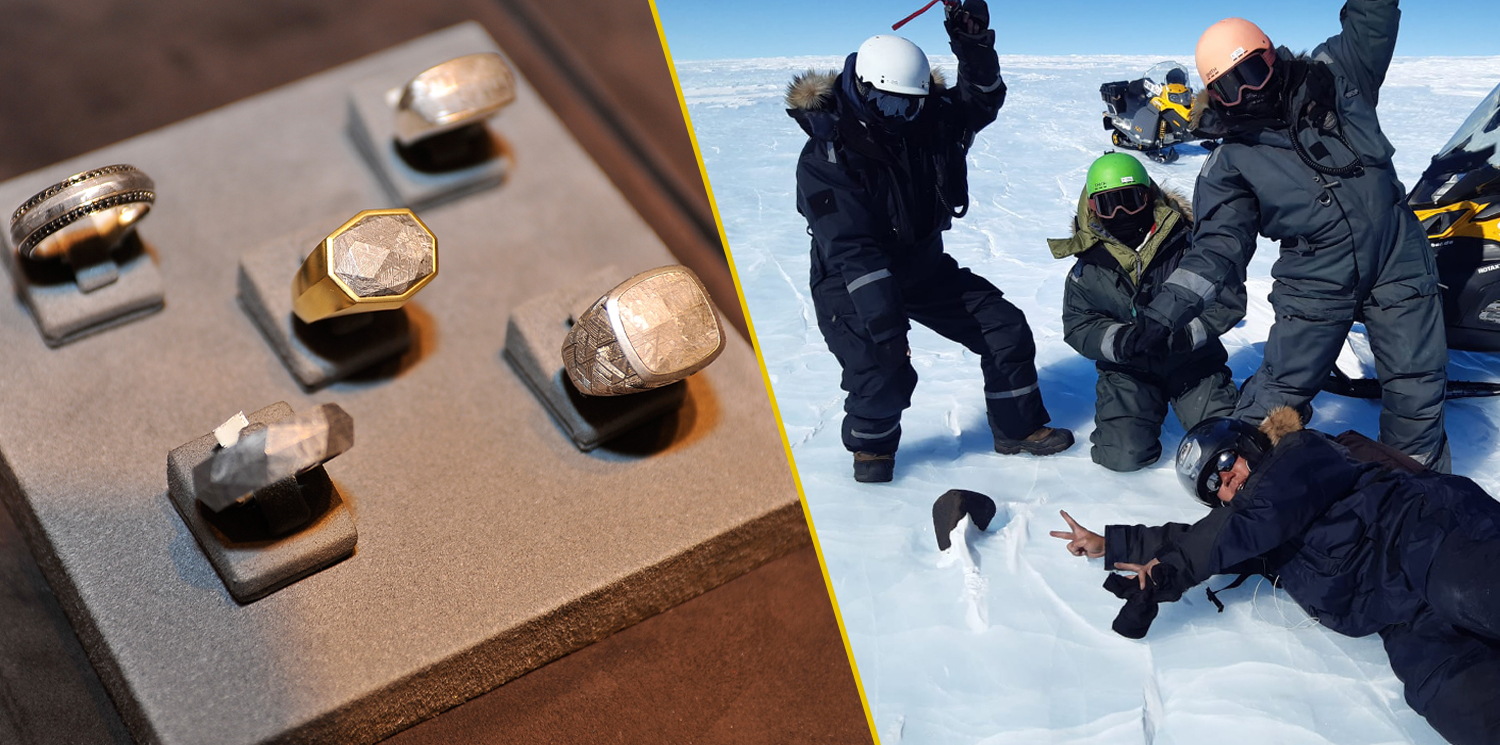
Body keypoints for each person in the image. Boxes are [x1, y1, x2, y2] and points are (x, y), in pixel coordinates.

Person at [1112, 2, 1452, 472]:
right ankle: (1243, 478)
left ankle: (1420, 493)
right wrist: (1162, 315)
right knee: (1281, 388)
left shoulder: (1336, 76)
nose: (1247, 92)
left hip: (1400, 258)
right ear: (1213, 94)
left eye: (1252, 71)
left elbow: (1372, 20)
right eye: (1228, 87)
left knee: (1416, 382)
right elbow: (1216, 249)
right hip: (1317, 276)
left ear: (1271, 57)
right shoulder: (1230, 164)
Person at [1050, 408, 1500, 745]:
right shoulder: (1255, 531)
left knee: (1468, 590)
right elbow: (1208, 537)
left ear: (1253, 447)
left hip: (1426, 533)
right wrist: (1115, 544)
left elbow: (1244, 523)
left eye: (1227, 460)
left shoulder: (1302, 456)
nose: (1226, 478)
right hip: (1400, 617)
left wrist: (1173, 570)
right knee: (1456, 699)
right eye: (1214, 486)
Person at [786, 0, 1072, 483]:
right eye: (886, 103)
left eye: (908, 104)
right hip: (850, 277)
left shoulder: (928, 121)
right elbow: (853, 249)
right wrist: (890, 331)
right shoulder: (826, 156)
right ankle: (872, 454)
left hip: (920, 265)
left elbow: (982, 99)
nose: (897, 115)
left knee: (1003, 328)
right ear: (860, 89)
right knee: (883, 370)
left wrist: (973, 42)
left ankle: (1017, 428)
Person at [1049, 152, 1244, 471]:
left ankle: (1235, 399)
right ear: (1094, 209)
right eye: (1110, 205)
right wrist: (1120, 341)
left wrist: (1185, 336)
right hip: (1129, 370)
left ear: (1148, 196)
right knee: (1122, 458)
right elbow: (1078, 324)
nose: (1123, 213)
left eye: (1131, 199)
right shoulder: (1089, 265)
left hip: (1193, 363)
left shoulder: (1188, 244)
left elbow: (1228, 299)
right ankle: (1141, 411)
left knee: (1226, 442)